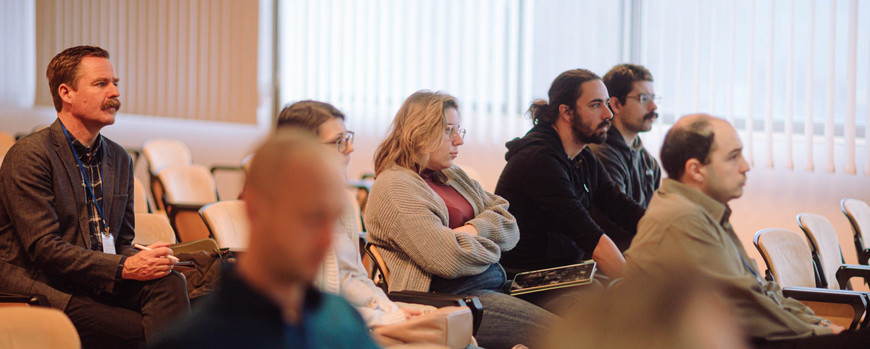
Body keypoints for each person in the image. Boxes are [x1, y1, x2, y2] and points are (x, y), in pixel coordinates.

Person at [624, 113, 870, 348]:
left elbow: (760, 288)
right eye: (733, 157)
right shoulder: (681, 218)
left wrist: (818, 323)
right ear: (696, 170)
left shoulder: (706, 211)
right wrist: (821, 333)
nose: (746, 166)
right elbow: (743, 307)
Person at [0, 45, 189, 348]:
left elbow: (122, 241)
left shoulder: (120, 159)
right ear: (66, 93)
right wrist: (123, 268)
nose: (115, 93)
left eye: (116, 83)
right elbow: (44, 249)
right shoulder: (30, 155)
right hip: (44, 285)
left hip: (96, 279)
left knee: (170, 284)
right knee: (143, 332)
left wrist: (147, 260)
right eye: (101, 84)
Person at [150, 129, 379, 349]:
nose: (327, 241)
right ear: (254, 209)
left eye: (332, 220)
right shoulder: (195, 341)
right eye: (311, 219)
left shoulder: (341, 318)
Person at [364, 90, 557, 349]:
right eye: (448, 130)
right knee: (567, 335)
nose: (458, 140)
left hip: (494, 284)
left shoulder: (451, 175)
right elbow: (448, 260)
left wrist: (470, 231)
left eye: (459, 130)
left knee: (581, 304)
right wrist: (493, 246)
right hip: (450, 300)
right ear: (418, 132)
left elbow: (509, 223)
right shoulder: (395, 186)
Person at [277, 100, 476, 348]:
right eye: (339, 141)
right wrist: (387, 317)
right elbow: (316, 307)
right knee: (445, 341)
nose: (350, 149)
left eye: (349, 138)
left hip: (360, 317)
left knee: (457, 333)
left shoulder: (342, 201)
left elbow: (353, 277)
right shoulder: (286, 215)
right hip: (331, 330)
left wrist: (391, 308)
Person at [494, 69, 645, 281]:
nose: (608, 114)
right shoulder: (538, 160)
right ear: (566, 112)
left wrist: (671, 233)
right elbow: (590, 238)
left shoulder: (583, 157)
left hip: (567, 274)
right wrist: (638, 290)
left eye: (606, 103)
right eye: (596, 105)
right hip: (528, 280)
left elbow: (622, 208)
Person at [589, 64, 662, 251]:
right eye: (644, 98)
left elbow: (656, 215)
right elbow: (617, 228)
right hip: (617, 262)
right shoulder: (601, 154)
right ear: (615, 104)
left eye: (653, 98)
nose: (653, 106)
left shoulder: (647, 159)